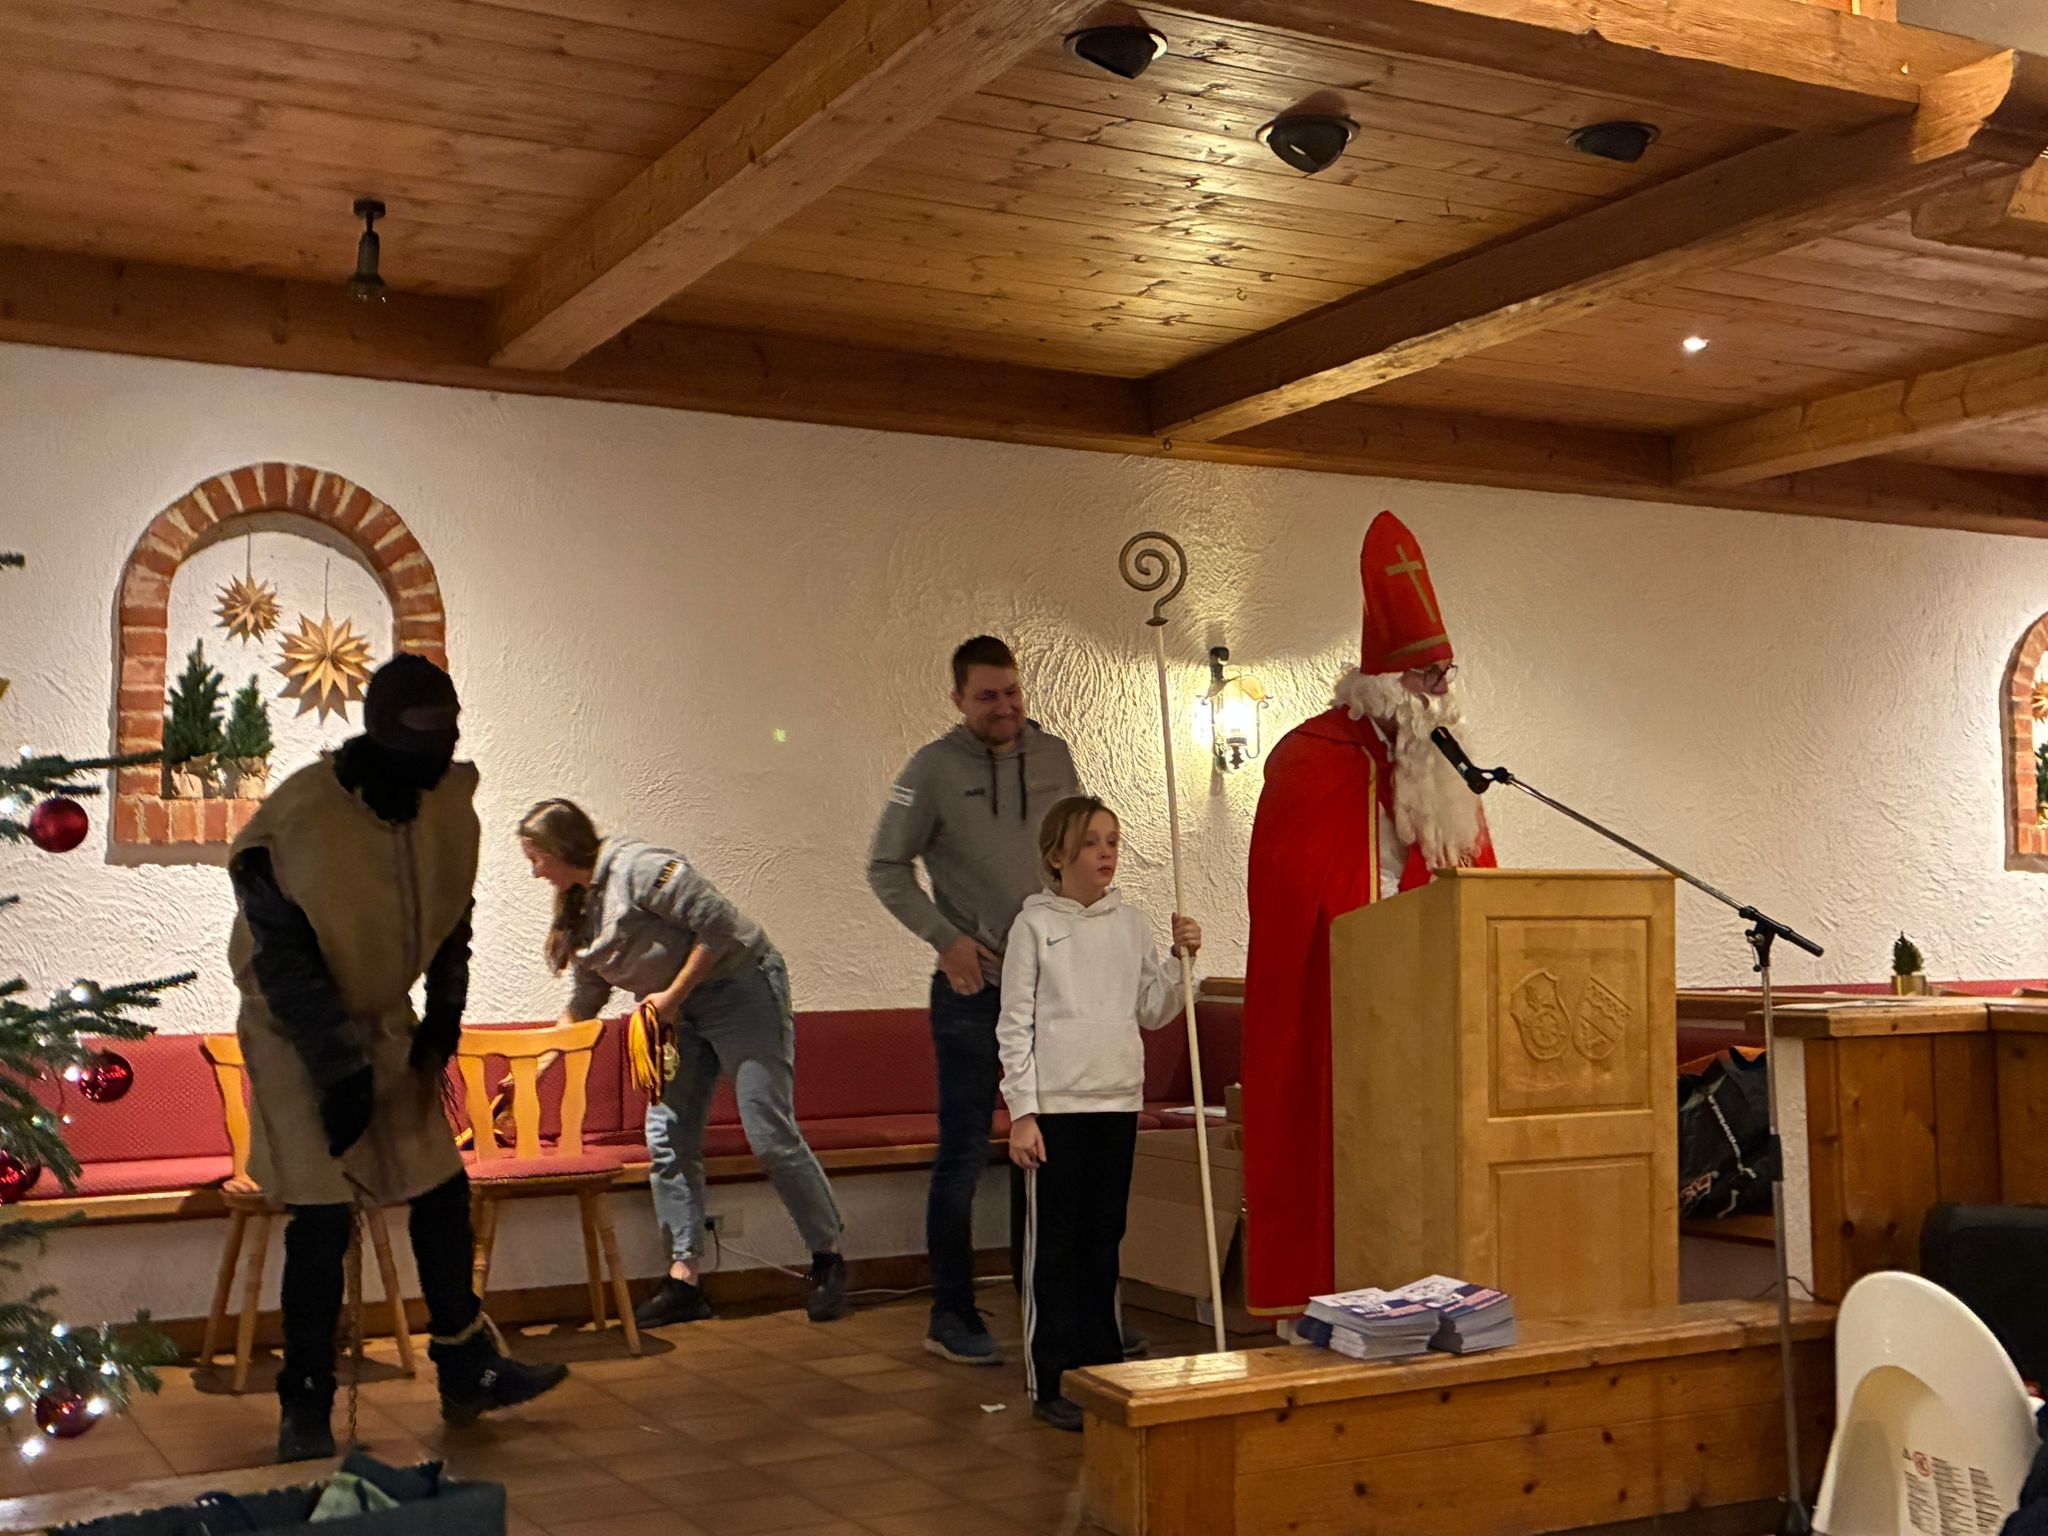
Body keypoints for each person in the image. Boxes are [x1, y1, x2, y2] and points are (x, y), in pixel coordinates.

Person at [227, 654, 567, 1463]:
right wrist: (338, 1070)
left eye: (449, 735)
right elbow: (284, 964)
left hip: (387, 1021)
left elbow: (452, 921)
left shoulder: (449, 806)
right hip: (292, 1030)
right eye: (422, 740)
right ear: (382, 734)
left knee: (441, 1190)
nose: (439, 755)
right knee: (321, 1216)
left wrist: (445, 1015)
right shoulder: (294, 822)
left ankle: (467, 1369)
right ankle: (306, 1404)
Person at [1242, 511, 1498, 1316]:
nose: (1441, 692)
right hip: (1346, 1020)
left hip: (1433, 1024)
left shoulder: (1447, 773)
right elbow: (1291, 909)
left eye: (1445, 674)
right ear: (1383, 681)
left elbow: (1486, 898)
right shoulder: (1311, 761)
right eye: (1426, 677)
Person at [518, 799, 850, 1328]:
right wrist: (531, 1073)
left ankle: (828, 1260)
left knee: (768, 1131)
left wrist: (672, 996)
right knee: (667, 1135)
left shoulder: (639, 868)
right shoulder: (580, 908)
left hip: (740, 991)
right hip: (676, 1012)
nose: (535, 872)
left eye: (537, 858)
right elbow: (584, 1001)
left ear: (561, 848)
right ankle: (684, 1280)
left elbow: (721, 927)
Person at [868, 636, 1082, 1366]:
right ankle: (951, 1314)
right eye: (987, 696)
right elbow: (885, 866)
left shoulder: (1054, 757)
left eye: (1012, 692)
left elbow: (1076, 852)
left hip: (1051, 989)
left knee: (1048, 1151)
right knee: (963, 1153)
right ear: (958, 699)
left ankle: (1050, 1311)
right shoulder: (931, 770)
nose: (1004, 708)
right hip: (972, 992)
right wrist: (946, 938)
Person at [1000, 797, 1200, 1432]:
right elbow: (1014, 1026)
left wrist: (1183, 963)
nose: (1106, 853)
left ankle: (1102, 1369)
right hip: (1057, 1109)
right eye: (1091, 842)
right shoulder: (1032, 927)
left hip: (1116, 1101)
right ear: (1057, 856)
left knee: (1103, 1239)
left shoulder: (1130, 924)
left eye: (1112, 840)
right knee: (1055, 1247)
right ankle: (1053, 1378)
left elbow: (1153, 1009)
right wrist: (1023, 1113)